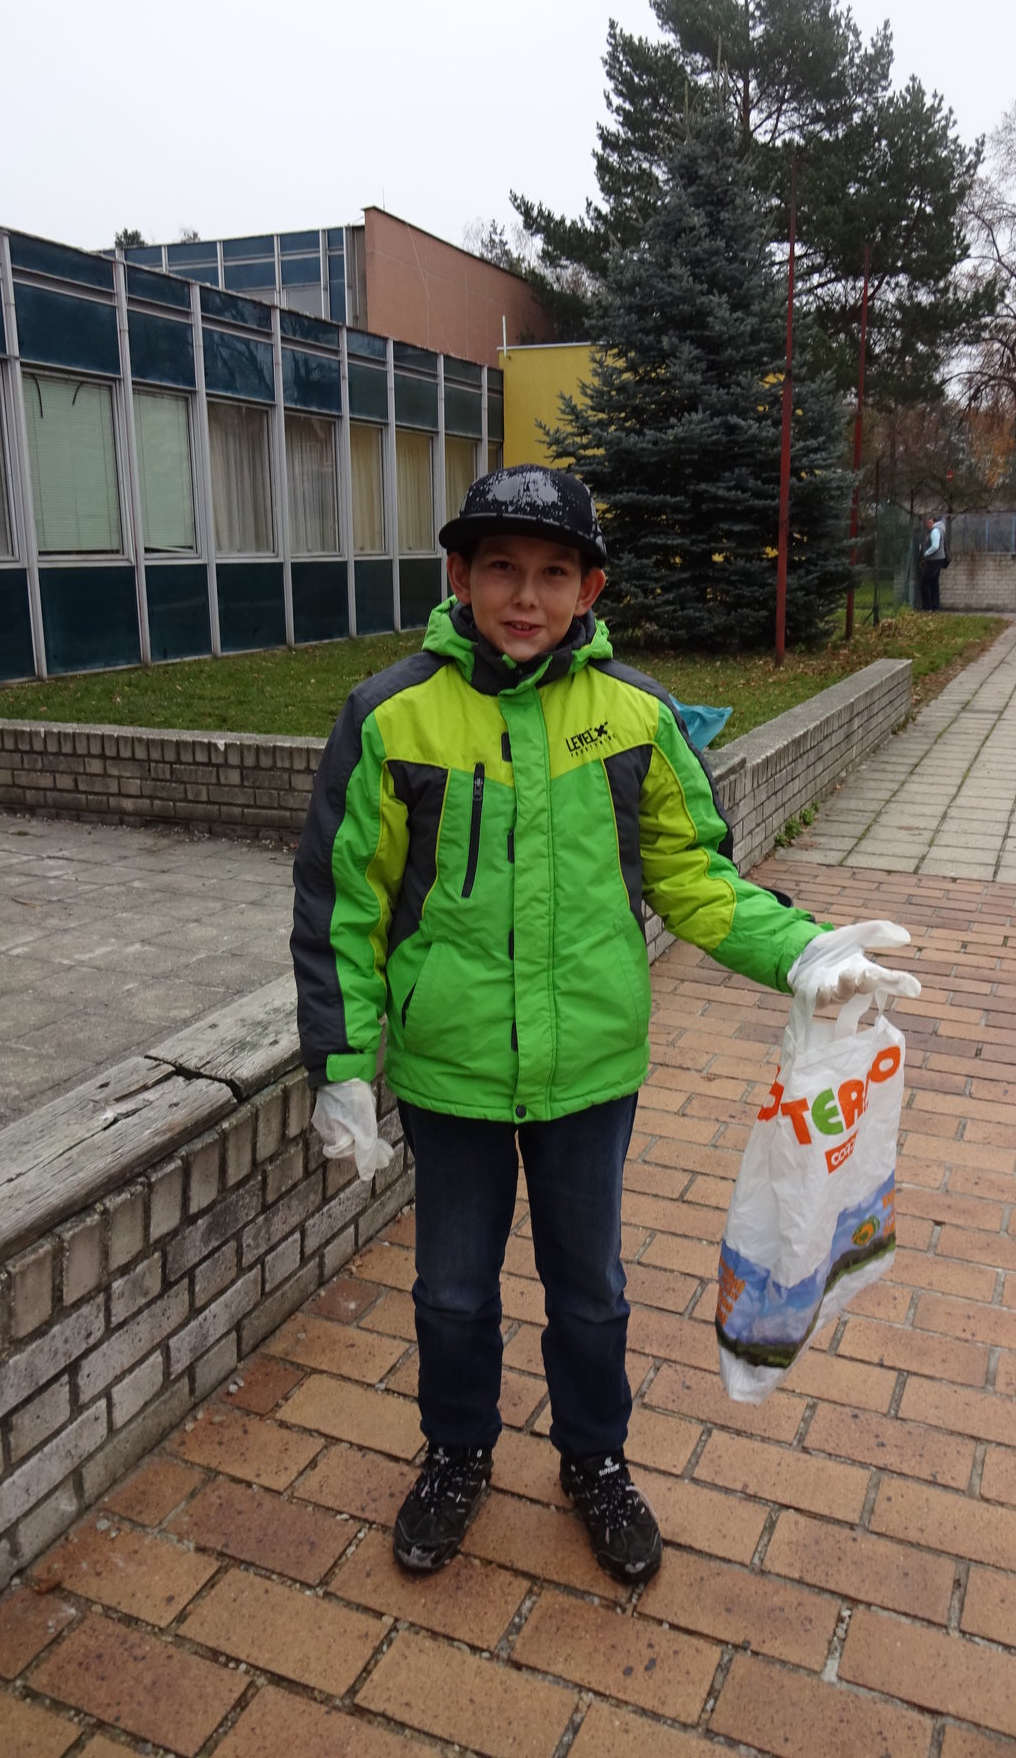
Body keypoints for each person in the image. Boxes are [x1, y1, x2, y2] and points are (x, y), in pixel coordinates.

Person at [291, 464, 918, 1585]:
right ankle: (457, 1451)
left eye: (552, 573)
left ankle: (595, 1458)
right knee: (450, 1292)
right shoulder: (392, 715)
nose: (524, 596)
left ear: (590, 589)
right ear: (459, 577)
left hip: (590, 1070)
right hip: (450, 1071)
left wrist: (803, 952)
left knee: (591, 1291)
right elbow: (345, 902)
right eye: (500, 569)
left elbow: (696, 876)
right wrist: (340, 1063)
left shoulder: (634, 715)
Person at [919, 512, 947, 610]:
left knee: (924, 583)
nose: (928, 524)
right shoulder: (939, 529)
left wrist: (926, 553)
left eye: (930, 522)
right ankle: (935, 606)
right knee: (934, 582)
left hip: (934, 560)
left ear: (934, 522)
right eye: (927, 523)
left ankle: (927, 607)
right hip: (939, 559)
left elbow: (935, 546)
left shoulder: (935, 530)